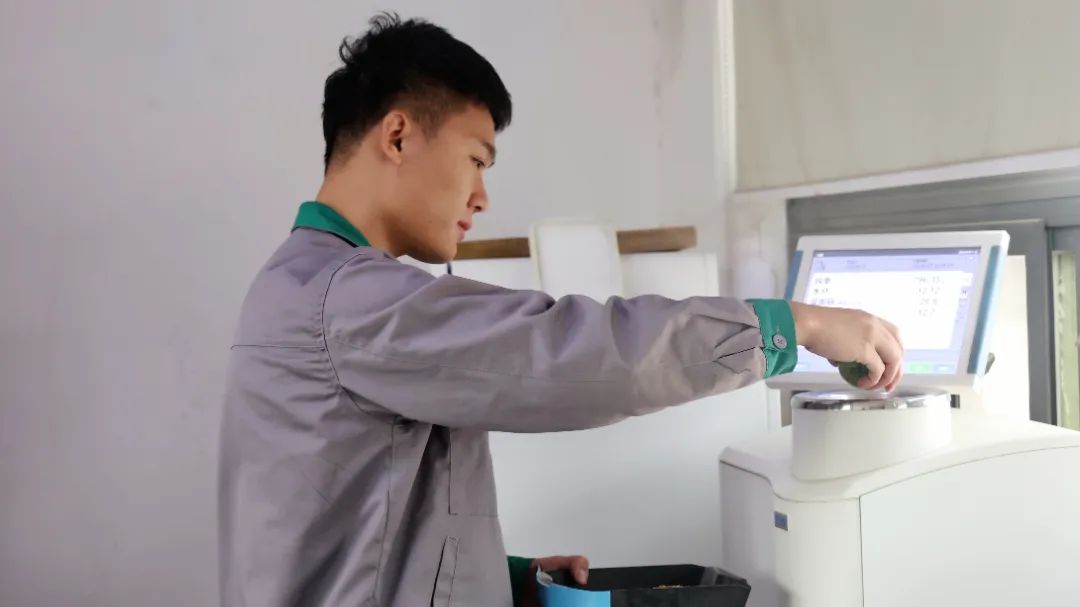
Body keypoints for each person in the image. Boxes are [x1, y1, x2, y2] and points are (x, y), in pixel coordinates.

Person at [218, 12, 904, 607]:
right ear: (397, 137)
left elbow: (346, 526)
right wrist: (793, 325)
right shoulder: (350, 301)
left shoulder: (302, 285)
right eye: (476, 159)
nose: (482, 196)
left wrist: (501, 575)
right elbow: (571, 353)